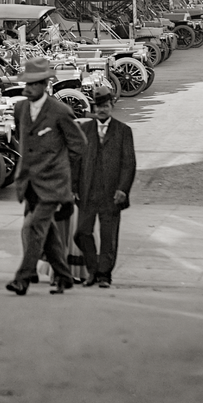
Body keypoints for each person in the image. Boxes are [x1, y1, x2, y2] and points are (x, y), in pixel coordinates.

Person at [5, 59, 85, 296]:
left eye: (31, 85)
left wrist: (60, 169)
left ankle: (23, 278)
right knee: (47, 233)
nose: (26, 89)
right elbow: (25, 142)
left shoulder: (60, 112)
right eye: (25, 84)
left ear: (44, 85)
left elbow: (79, 146)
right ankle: (63, 275)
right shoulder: (20, 109)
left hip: (52, 184)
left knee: (33, 228)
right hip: (28, 183)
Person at [73, 88, 136, 288]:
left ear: (111, 107)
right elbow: (76, 160)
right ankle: (92, 270)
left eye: (105, 106)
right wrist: (74, 187)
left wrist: (123, 189)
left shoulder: (123, 131)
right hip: (88, 193)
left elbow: (129, 163)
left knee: (109, 237)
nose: (102, 110)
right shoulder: (85, 130)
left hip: (112, 194)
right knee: (82, 232)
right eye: (99, 106)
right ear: (94, 107)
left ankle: (104, 276)